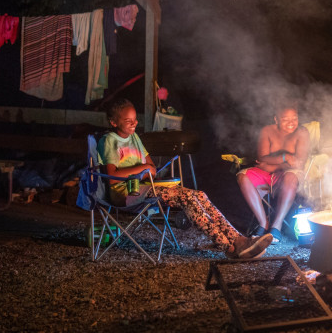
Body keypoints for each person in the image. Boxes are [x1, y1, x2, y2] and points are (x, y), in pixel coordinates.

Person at [98, 99, 272, 259]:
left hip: (144, 188)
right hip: (124, 194)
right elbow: (113, 178)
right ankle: (228, 248)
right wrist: (141, 169)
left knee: (199, 195)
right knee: (187, 198)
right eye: (129, 121)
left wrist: (144, 170)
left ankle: (238, 240)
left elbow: (152, 169)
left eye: (135, 119)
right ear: (114, 122)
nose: (134, 123)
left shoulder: (134, 138)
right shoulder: (109, 141)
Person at [237, 104, 310, 243]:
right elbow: (262, 157)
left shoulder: (302, 132)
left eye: (294, 118)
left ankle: (276, 226)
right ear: (276, 119)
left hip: (288, 175)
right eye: (285, 119)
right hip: (267, 174)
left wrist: (270, 166)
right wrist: (285, 158)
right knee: (243, 176)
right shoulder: (267, 131)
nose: (291, 123)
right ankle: (263, 223)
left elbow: (298, 163)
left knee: (290, 176)